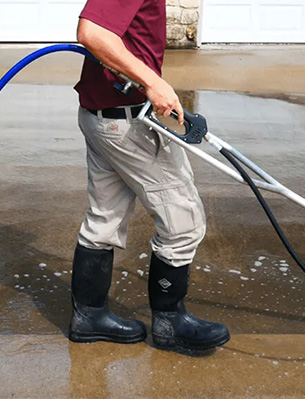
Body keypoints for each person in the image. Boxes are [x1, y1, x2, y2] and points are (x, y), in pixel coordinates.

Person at [68, 0, 230, 352]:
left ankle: (89, 316)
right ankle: (171, 323)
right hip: (127, 124)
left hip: (103, 115)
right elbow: (92, 33)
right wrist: (153, 83)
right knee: (183, 222)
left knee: (104, 218)